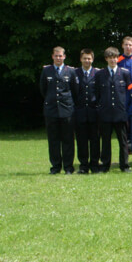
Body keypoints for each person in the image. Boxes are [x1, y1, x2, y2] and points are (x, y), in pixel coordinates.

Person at [40, 46, 79, 174]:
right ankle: (56, 167)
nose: (58, 58)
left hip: (67, 110)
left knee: (68, 140)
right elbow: (43, 90)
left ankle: (68, 167)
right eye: (56, 56)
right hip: (51, 110)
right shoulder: (46, 71)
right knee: (53, 140)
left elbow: (74, 90)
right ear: (52, 56)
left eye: (60, 56)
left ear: (64, 57)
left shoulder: (71, 71)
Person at [94, 47, 131, 173]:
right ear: (106, 59)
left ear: (118, 58)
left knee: (123, 142)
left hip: (120, 113)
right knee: (105, 141)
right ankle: (105, 166)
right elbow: (97, 94)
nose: (112, 60)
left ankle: (124, 166)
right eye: (110, 57)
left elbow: (128, 93)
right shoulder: (100, 74)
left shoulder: (125, 73)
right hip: (105, 113)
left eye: (115, 57)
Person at [73, 48, 100, 174]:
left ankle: (94, 165)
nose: (87, 61)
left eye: (89, 58)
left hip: (94, 112)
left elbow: (100, 93)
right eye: (84, 58)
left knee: (95, 141)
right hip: (80, 112)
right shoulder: (74, 73)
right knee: (82, 141)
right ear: (81, 59)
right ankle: (83, 166)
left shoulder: (98, 73)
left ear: (92, 59)